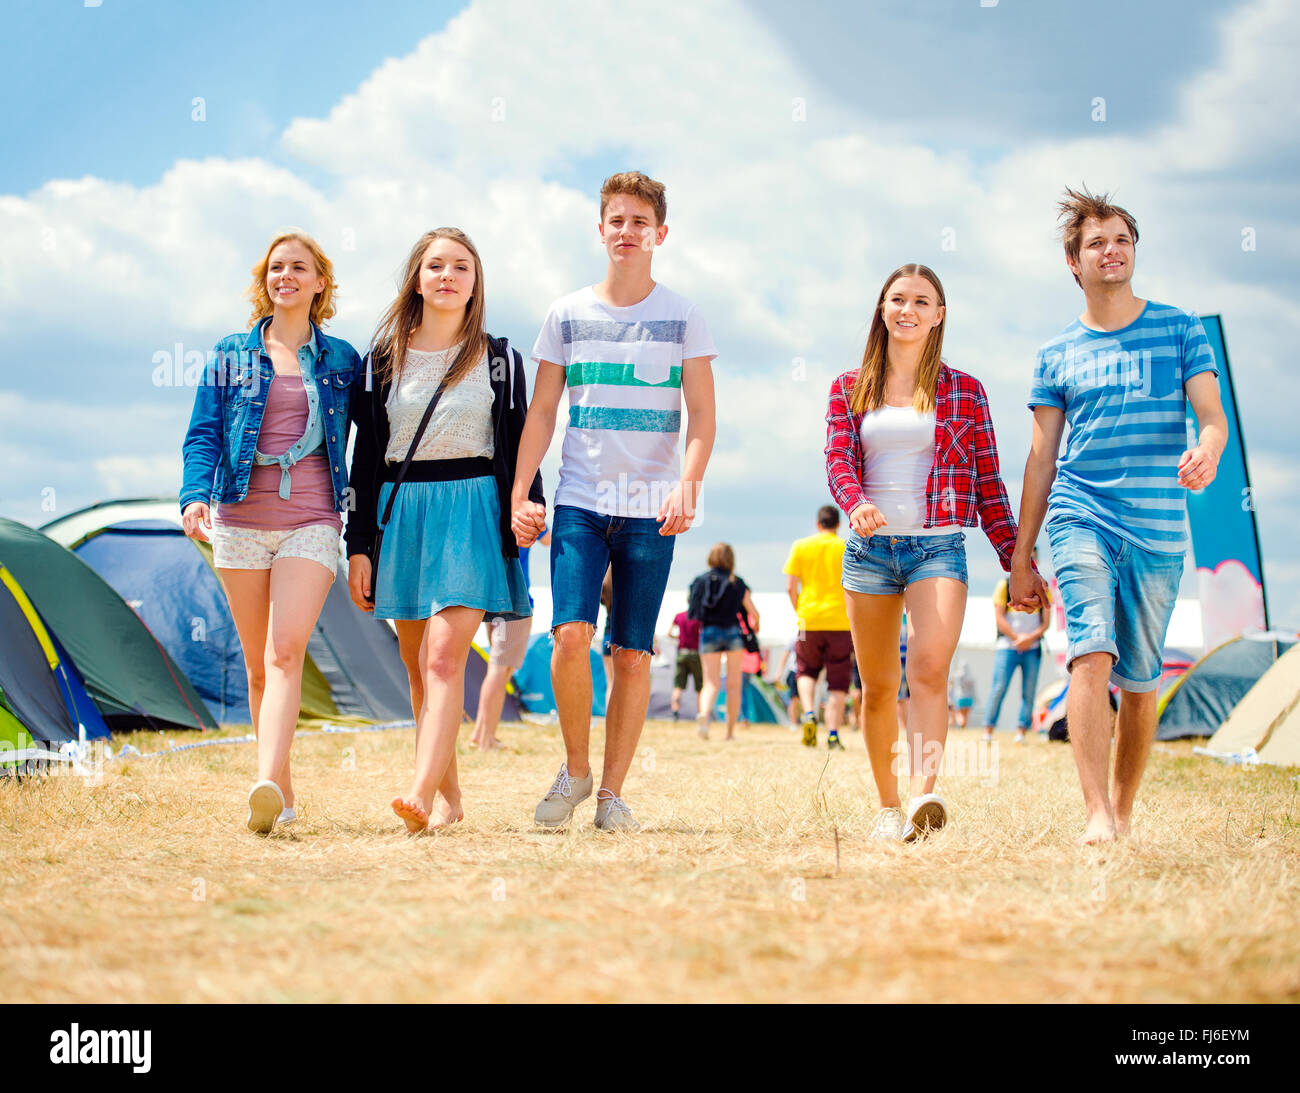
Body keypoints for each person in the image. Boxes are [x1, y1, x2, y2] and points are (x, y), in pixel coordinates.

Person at [1008, 188, 1227, 845]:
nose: (1113, 249)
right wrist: (1022, 554)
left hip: (1159, 531)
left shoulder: (1181, 329)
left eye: (1123, 239)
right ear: (1073, 262)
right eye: (1097, 242)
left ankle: (1124, 810)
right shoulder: (1056, 354)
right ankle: (1096, 812)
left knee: (1140, 684)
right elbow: (1042, 458)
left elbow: (1212, 419)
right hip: (1080, 514)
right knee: (1090, 651)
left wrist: (1208, 452)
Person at [512, 171, 717, 831]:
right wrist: (522, 489)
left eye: (639, 222)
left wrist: (688, 483)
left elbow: (703, 418)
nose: (626, 232)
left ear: (661, 234)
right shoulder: (566, 314)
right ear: (599, 229)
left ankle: (612, 796)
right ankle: (577, 770)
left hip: (652, 508)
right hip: (579, 499)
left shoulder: (683, 315)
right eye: (616, 220)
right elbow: (542, 411)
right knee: (570, 634)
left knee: (630, 652)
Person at [825, 262, 1047, 843]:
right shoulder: (849, 386)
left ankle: (924, 794)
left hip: (938, 548)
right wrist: (855, 503)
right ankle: (887, 806)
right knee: (876, 686)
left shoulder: (966, 391)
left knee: (928, 670)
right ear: (882, 309)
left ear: (939, 316)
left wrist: (1016, 561)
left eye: (923, 302)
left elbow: (989, 484)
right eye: (898, 299)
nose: (909, 310)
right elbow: (838, 461)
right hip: (869, 550)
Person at [345, 227, 541, 834]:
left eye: (461, 266)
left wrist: (527, 503)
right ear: (418, 278)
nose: (448, 275)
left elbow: (520, 444)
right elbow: (364, 460)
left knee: (442, 659)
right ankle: (453, 801)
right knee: (415, 665)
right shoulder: (380, 361)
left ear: (476, 281)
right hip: (402, 513)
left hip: (473, 512)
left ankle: (420, 794)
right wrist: (358, 546)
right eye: (435, 266)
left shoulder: (501, 359)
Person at [180, 229, 360, 834]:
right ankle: (279, 793)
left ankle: (261, 782)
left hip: (313, 517)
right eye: (276, 267)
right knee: (260, 668)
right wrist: (193, 497)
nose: (286, 275)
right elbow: (203, 432)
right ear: (266, 281)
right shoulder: (231, 352)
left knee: (285, 652)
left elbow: (375, 438)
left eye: (299, 267)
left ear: (319, 282)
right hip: (238, 519)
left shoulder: (342, 360)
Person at [472, 525, 550, 750]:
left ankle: (481, 732)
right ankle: (486, 738)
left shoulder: (495, 510)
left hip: (493, 600)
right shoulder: (526, 516)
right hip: (517, 600)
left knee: (496, 669)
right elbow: (548, 540)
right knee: (500, 670)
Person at [784, 505, 852, 750]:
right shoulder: (845, 546)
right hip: (840, 621)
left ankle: (810, 713)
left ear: (818, 524)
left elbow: (791, 586)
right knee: (838, 680)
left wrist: (800, 610)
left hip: (808, 618)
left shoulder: (801, 546)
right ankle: (833, 734)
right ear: (838, 524)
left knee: (805, 670)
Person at [688, 543, 760, 741]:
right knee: (734, 684)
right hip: (732, 633)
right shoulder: (737, 582)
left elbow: (692, 610)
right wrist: (756, 626)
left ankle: (704, 715)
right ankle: (729, 732)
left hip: (709, 631)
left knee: (710, 682)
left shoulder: (701, 581)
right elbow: (753, 612)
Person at [982, 548, 1050, 743]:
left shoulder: (1044, 587)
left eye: (1033, 557)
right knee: (999, 687)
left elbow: (1045, 622)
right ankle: (988, 729)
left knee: (1029, 691)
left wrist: (1029, 639)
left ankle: (1021, 731)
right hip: (1007, 645)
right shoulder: (1004, 585)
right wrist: (1016, 638)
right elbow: (999, 617)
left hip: (1033, 647)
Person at [668, 596, 702, 721]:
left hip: (681, 653)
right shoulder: (699, 618)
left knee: (678, 686)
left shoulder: (679, 616)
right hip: (695, 654)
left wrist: (680, 639)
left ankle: (675, 713)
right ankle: (701, 714)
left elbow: (669, 633)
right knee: (700, 687)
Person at [948, 661, 976, 729]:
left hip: (961, 697)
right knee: (966, 715)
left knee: (960, 713)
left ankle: (961, 723)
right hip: (969, 698)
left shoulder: (957, 676)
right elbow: (973, 690)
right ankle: (963, 727)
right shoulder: (971, 677)